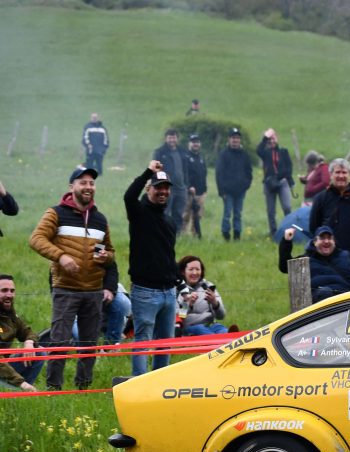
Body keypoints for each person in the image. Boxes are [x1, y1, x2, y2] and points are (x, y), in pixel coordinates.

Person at [29, 166, 115, 390]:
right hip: (66, 288)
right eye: (83, 182)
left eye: (91, 183)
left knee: (89, 344)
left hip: (94, 290)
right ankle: (53, 389)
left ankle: (83, 388)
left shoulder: (99, 219)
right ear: (72, 187)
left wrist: (106, 256)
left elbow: (110, 251)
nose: (88, 187)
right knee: (59, 341)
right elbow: (36, 239)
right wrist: (61, 256)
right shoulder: (56, 213)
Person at [124, 161, 178, 375]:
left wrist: (176, 277)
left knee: (165, 343)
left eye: (166, 188)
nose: (163, 192)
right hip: (145, 291)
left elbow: (167, 254)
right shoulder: (139, 213)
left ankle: (159, 382)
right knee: (143, 341)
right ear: (149, 189)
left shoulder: (169, 221)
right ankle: (139, 383)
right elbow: (128, 196)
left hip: (169, 292)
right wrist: (148, 171)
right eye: (158, 187)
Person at [309, 158, 350, 278]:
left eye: (344, 172)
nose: (341, 176)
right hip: (329, 257)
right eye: (337, 172)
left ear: (349, 175)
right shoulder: (321, 198)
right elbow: (314, 227)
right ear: (331, 174)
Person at [278, 225, 350, 303]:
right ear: (315, 242)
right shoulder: (305, 260)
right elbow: (284, 267)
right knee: (325, 292)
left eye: (329, 238)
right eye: (322, 238)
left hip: (347, 300)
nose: (326, 241)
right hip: (321, 302)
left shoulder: (346, 256)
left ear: (334, 241)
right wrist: (286, 241)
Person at [0, 274, 43, 392]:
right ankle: (22, 389)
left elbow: (28, 332)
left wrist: (29, 342)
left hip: (4, 366)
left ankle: (23, 393)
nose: (9, 294)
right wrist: (21, 383)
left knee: (39, 351)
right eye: (4, 290)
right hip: (2, 367)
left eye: (12, 291)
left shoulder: (10, 315)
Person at [215, 127, 253, 241]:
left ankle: (237, 235)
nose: (235, 140)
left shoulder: (244, 154)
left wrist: (246, 185)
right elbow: (219, 174)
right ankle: (226, 234)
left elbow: (249, 171)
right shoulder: (224, 154)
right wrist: (222, 191)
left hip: (240, 191)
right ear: (229, 139)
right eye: (233, 138)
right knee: (227, 214)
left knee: (238, 214)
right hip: (227, 191)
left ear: (240, 140)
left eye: (237, 138)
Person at [256, 128, 294, 239]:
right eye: (269, 140)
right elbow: (258, 150)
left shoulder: (283, 151)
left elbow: (289, 167)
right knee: (271, 211)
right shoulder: (265, 153)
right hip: (269, 184)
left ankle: (290, 231)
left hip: (282, 182)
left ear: (277, 139)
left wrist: (288, 180)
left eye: (273, 138)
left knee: (287, 207)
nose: (271, 141)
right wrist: (265, 137)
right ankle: (273, 232)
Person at [176, 255, 228, 335]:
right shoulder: (177, 290)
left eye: (197, 269)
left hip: (211, 325)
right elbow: (177, 318)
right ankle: (220, 341)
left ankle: (231, 337)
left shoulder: (208, 286)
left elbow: (221, 316)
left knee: (221, 329)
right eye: (191, 269)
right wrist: (187, 304)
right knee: (200, 329)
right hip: (190, 328)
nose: (195, 273)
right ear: (183, 272)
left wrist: (214, 302)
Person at [152, 129, 189, 235]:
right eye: (170, 137)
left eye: (174, 137)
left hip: (181, 188)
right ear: (165, 138)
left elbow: (185, 169)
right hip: (166, 188)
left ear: (177, 138)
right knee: (165, 212)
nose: (172, 140)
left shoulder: (182, 151)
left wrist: (186, 184)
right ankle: (162, 234)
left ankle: (176, 235)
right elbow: (156, 170)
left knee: (178, 214)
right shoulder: (159, 152)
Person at [183, 134, 208, 239]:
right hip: (189, 192)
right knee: (185, 215)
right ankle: (182, 235)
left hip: (201, 192)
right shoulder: (185, 158)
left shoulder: (201, 158)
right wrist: (189, 186)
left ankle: (195, 236)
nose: (195, 144)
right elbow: (184, 174)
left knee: (197, 216)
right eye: (193, 142)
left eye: (197, 142)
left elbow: (204, 173)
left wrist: (205, 188)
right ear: (189, 144)